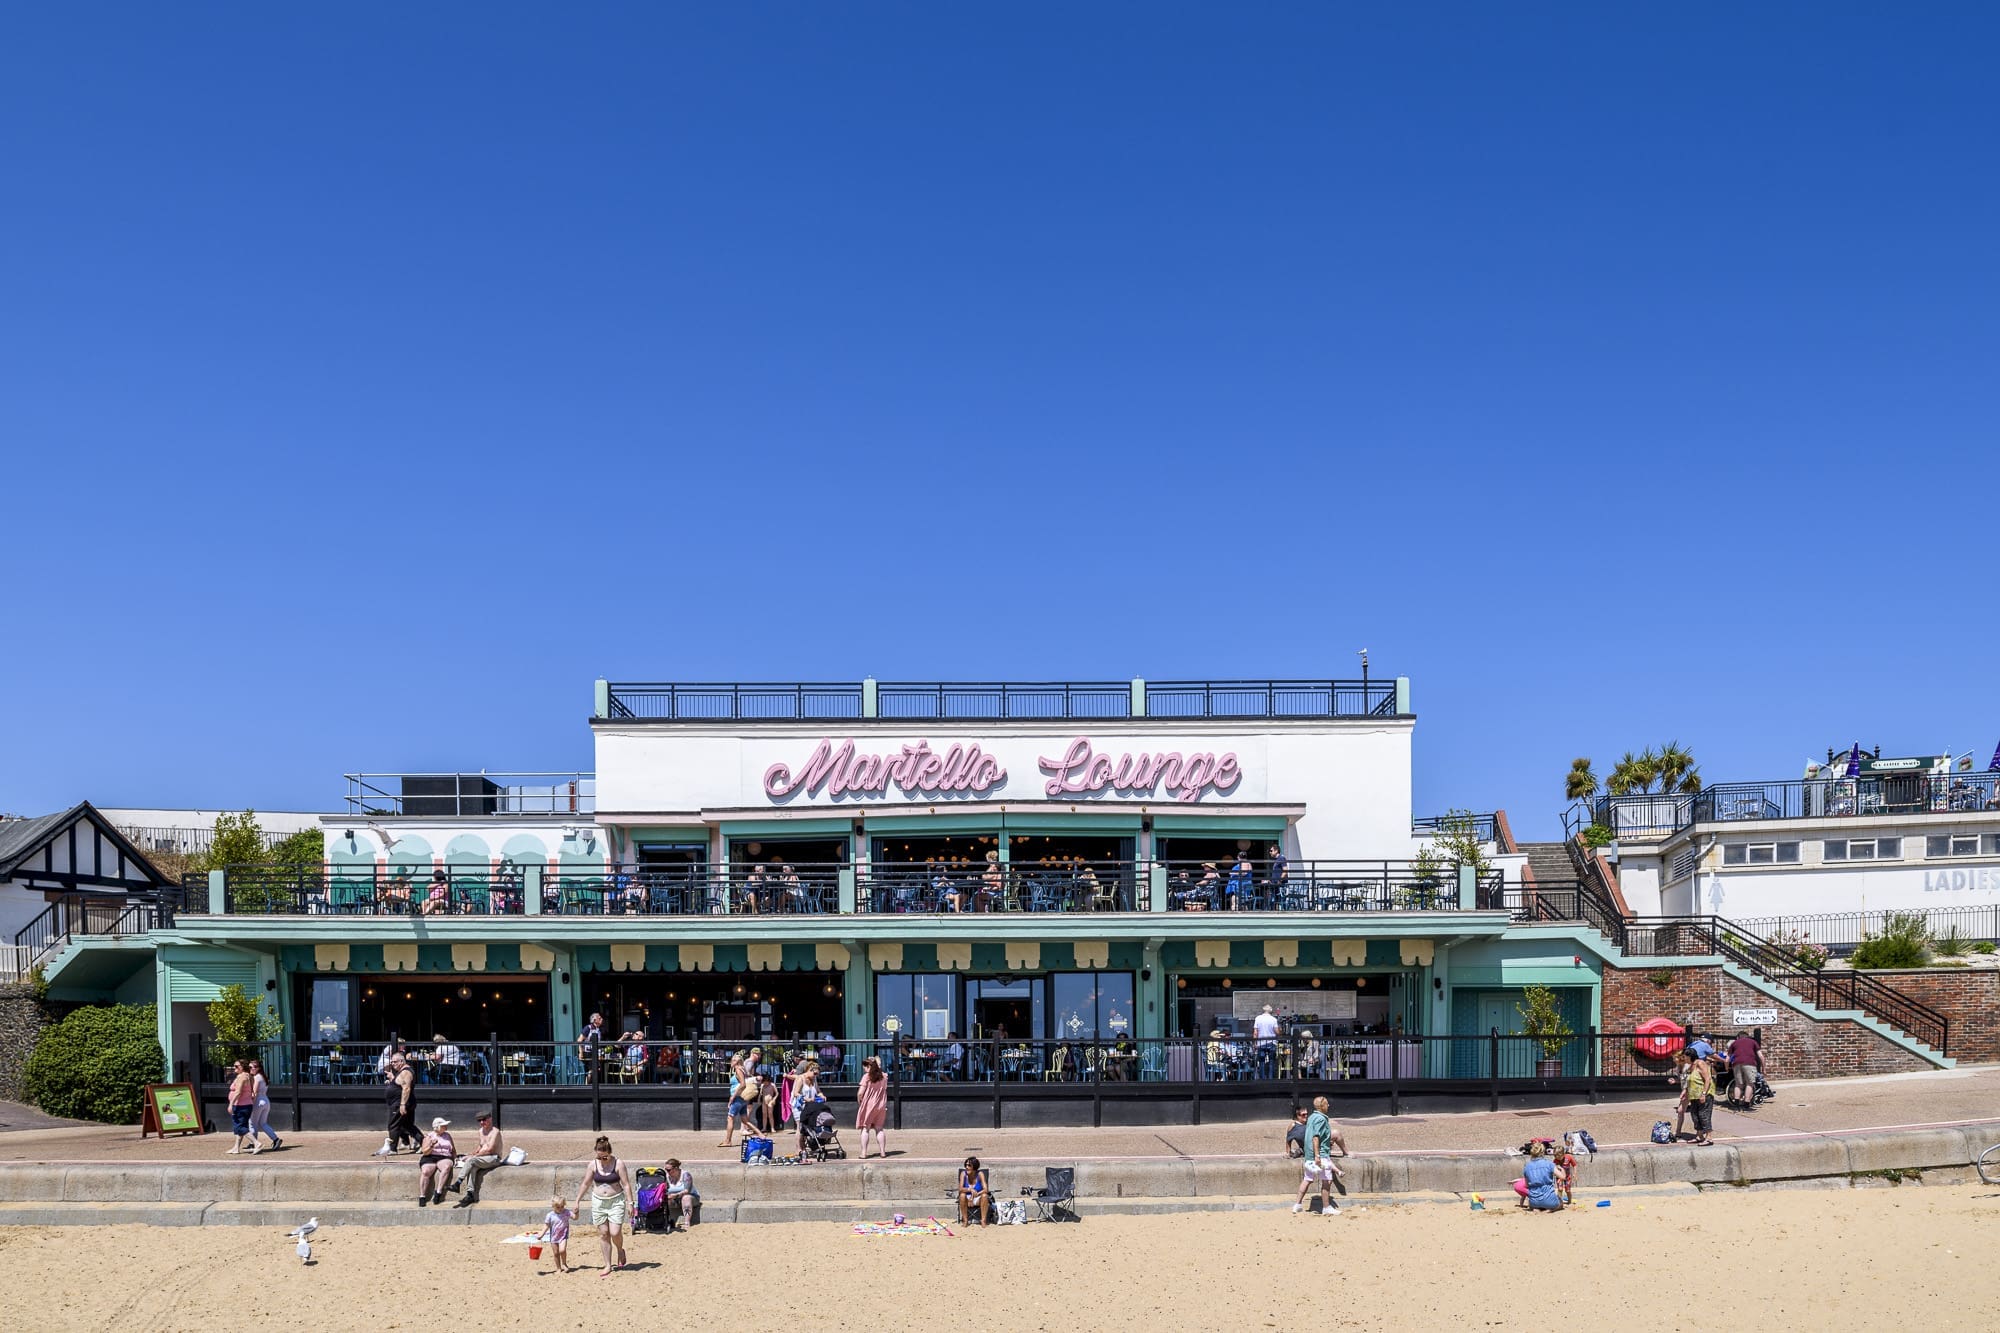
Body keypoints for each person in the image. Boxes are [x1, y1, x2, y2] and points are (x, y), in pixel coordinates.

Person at [574, 1135, 636, 1277]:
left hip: (616, 1201)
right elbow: (586, 1183)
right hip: (599, 1201)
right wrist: (577, 1200)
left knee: (614, 1232)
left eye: (605, 1157)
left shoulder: (619, 1164)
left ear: (610, 1153)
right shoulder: (593, 1165)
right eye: (599, 1157)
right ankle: (608, 1264)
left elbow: (626, 1185)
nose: (602, 1160)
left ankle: (620, 1249)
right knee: (603, 1234)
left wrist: (630, 1203)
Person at [1293, 1095, 1344, 1215]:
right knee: (1327, 1180)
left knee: (1307, 1179)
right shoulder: (1321, 1119)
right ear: (1322, 1106)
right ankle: (1326, 1207)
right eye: (1327, 1104)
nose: (1329, 1105)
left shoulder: (1312, 1117)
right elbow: (1316, 1137)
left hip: (1309, 1155)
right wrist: (1317, 1156)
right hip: (1320, 1155)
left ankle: (1297, 1205)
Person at [451, 1109, 505, 1206]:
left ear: (490, 1119)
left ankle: (458, 1183)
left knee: (472, 1161)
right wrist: (471, 1153)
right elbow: (481, 1146)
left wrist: (473, 1156)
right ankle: (470, 1194)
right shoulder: (480, 1131)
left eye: (484, 1119)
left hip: (494, 1158)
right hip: (483, 1158)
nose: (481, 1122)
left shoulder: (495, 1132)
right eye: (479, 1120)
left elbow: (490, 1150)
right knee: (472, 1167)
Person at [373, 1055, 418, 1156]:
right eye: (392, 1062)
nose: (392, 1064)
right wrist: (393, 1079)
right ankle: (422, 1142)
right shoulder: (401, 1072)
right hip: (399, 1102)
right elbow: (400, 1084)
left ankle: (392, 1148)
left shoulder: (406, 1071)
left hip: (400, 1103)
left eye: (395, 1062)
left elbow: (406, 1088)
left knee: (393, 1125)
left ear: (401, 1061)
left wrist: (402, 1104)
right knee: (407, 1125)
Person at [416, 1117, 456, 1206]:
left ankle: (438, 1192)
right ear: (437, 1127)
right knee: (426, 1172)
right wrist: (432, 1145)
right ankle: (422, 1196)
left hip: (444, 1156)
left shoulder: (448, 1135)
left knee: (446, 1167)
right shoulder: (429, 1136)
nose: (446, 1126)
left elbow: (453, 1149)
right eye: (443, 1125)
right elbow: (425, 1151)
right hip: (430, 1156)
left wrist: (455, 1157)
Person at [1516, 1140, 1565, 1211]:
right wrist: (1561, 1169)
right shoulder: (1549, 1164)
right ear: (1543, 1152)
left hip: (1533, 1202)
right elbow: (1562, 1177)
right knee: (1560, 1201)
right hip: (1549, 1199)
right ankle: (1551, 1209)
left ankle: (1539, 1207)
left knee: (1537, 1202)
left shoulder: (1527, 1167)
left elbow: (1527, 1185)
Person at [856, 1055, 889, 1158]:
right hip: (881, 1104)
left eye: (865, 1066)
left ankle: (864, 1153)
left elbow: (860, 1093)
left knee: (866, 1128)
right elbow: (884, 1089)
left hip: (869, 1105)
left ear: (869, 1066)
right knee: (879, 1128)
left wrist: (859, 1102)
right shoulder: (884, 1076)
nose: (864, 1068)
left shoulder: (866, 1077)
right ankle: (883, 1152)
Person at [1684, 1048, 1719, 1146]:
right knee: (1695, 1115)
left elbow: (1707, 1079)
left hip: (1704, 1095)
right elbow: (1690, 1080)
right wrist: (1685, 1091)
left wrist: (1704, 1093)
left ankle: (1709, 1138)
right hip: (1694, 1095)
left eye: (1685, 1056)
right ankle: (1699, 1135)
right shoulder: (1691, 1066)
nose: (1684, 1058)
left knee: (1704, 1115)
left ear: (1690, 1056)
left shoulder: (1700, 1063)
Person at [247, 1057, 282, 1152]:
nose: (250, 1069)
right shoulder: (263, 1077)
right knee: (263, 1123)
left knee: (252, 1123)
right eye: (249, 1067)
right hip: (265, 1100)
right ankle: (275, 1139)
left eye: (252, 1067)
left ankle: (253, 1143)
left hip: (258, 1101)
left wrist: (250, 1104)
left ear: (258, 1068)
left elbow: (254, 1093)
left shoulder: (256, 1078)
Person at [224, 1060, 256, 1155]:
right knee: (242, 1126)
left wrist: (231, 1104)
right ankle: (236, 1148)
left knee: (240, 1127)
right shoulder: (249, 1076)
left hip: (240, 1105)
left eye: (236, 1066)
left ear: (242, 1067)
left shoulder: (242, 1077)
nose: (235, 1068)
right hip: (247, 1104)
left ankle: (256, 1143)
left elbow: (238, 1092)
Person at [1726, 1031, 1762, 1109]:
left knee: (1738, 1084)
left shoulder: (1734, 1043)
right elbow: (1761, 1056)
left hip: (1737, 1064)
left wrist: (1726, 1068)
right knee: (1750, 1084)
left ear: (1738, 1037)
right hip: (1750, 1063)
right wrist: (1764, 1068)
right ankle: (1746, 1104)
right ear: (1747, 1036)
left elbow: (1727, 1058)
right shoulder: (1753, 1042)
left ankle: (1736, 1104)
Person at [537, 1197, 573, 1273]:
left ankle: (564, 1264)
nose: (560, 1209)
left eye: (562, 1206)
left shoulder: (566, 1212)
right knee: (556, 1253)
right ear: (553, 1206)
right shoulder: (550, 1215)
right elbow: (546, 1226)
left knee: (562, 1250)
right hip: (554, 1236)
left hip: (563, 1235)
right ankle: (558, 1268)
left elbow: (575, 1217)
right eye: (558, 1207)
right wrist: (542, 1234)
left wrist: (576, 1212)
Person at [662, 1157, 698, 1231]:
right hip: (674, 1200)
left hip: (691, 1198)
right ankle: (667, 1221)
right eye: (665, 1169)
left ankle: (687, 1222)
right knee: (665, 1199)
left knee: (686, 1198)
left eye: (669, 1170)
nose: (667, 1171)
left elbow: (687, 1190)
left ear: (676, 1168)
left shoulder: (685, 1175)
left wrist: (675, 1195)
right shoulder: (666, 1177)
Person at [956, 1156, 991, 1226]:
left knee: (984, 1196)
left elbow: (986, 1189)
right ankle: (965, 1220)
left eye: (969, 1165)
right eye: (966, 1165)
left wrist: (976, 1194)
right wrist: (970, 1189)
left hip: (978, 1198)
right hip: (966, 1198)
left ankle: (983, 1220)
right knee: (962, 1195)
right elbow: (960, 1189)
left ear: (974, 1167)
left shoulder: (980, 1174)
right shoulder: (963, 1174)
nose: (966, 1167)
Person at [1253, 1004, 1282, 1079]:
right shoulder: (1273, 1019)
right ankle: (1270, 1078)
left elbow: (1255, 1032)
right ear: (1271, 1011)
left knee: (1262, 1062)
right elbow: (1277, 1032)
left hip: (1261, 1043)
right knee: (1271, 1062)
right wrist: (1280, 1030)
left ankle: (1262, 1079)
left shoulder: (1258, 1018)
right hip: (1271, 1042)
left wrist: (1255, 1043)